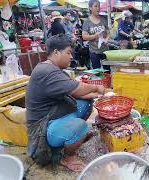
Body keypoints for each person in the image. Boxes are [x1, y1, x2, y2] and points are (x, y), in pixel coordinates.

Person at [26, 34, 105, 172]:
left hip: (51, 116)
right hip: (41, 130)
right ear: (56, 52)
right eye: (68, 53)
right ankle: (68, 156)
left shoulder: (54, 69)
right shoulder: (46, 71)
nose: (71, 57)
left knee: (85, 102)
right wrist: (97, 87)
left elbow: (75, 92)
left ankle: (71, 137)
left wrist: (99, 96)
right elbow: (78, 89)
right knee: (81, 126)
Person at [82, 0, 110, 70]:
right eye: (95, 6)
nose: (98, 8)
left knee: (107, 71)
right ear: (90, 8)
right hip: (94, 51)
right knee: (96, 72)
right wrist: (95, 36)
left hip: (105, 50)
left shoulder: (103, 19)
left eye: (99, 6)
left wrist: (107, 39)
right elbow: (84, 37)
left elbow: (108, 32)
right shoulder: (87, 21)